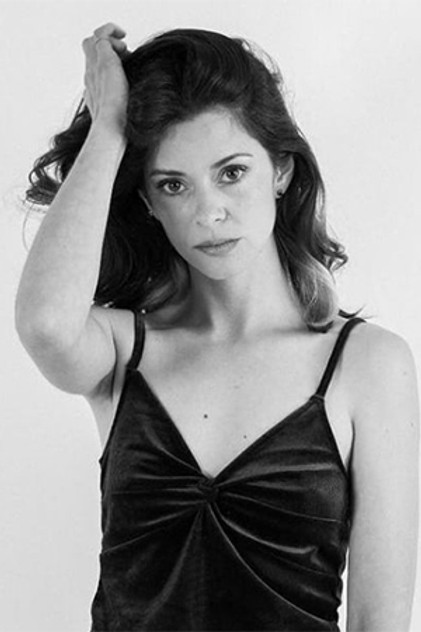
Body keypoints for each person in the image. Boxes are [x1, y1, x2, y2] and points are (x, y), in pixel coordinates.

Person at [15, 22, 419, 632]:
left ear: (280, 170)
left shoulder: (368, 365)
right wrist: (109, 127)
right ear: (148, 203)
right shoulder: (124, 351)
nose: (208, 211)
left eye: (231, 172)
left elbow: (378, 621)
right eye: (173, 185)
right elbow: (45, 325)